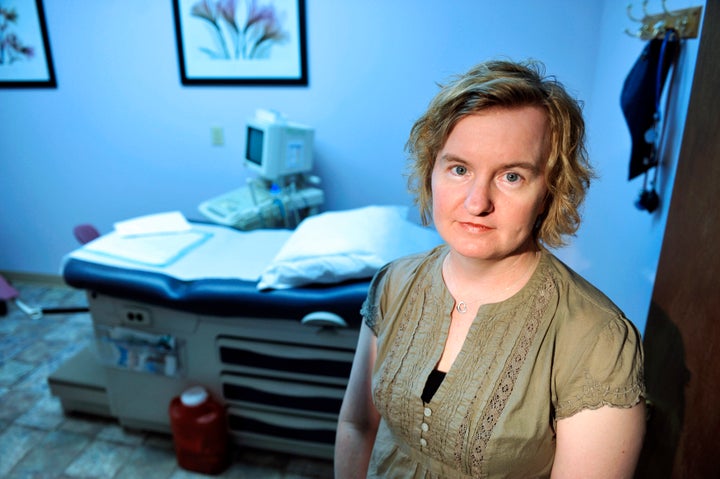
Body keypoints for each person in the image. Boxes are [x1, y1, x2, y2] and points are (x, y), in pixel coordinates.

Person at [334, 59, 646, 478]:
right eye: (459, 169)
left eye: (512, 176)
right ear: (432, 170)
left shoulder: (598, 341)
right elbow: (357, 424)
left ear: (550, 189)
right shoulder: (393, 284)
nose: (477, 202)